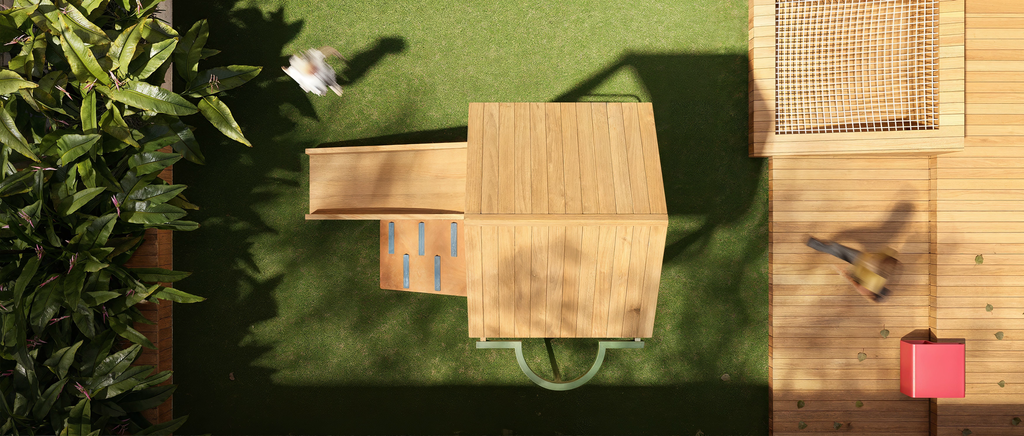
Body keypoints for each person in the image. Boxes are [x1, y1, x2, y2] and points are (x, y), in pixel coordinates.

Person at [807, 237, 899, 302]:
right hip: (859, 264)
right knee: (839, 251)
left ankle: (814, 243)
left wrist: (847, 275)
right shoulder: (872, 287)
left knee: (838, 250)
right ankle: (817, 244)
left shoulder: (877, 282)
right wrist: (847, 275)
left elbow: (859, 287)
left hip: (860, 260)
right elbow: (858, 286)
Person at [282, 46, 347, 96]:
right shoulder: (306, 78)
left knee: (328, 79)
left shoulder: (315, 61)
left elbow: (327, 50)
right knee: (324, 81)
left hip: (318, 71)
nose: (312, 70)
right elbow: (291, 72)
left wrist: (336, 53)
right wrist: (285, 69)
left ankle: (334, 86)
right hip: (312, 78)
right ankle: (333, 86)